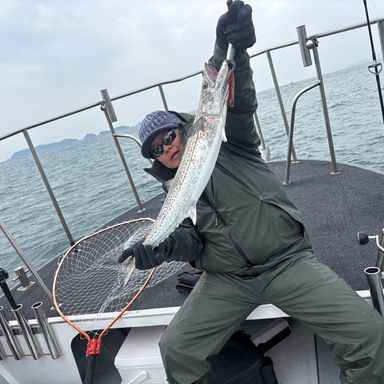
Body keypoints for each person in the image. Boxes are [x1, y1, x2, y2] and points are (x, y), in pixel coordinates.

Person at [119, 1, 384, 383]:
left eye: (170, 137)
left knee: (369, 336)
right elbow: (191, 244)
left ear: (186, 128)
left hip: (287, 263)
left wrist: (233, 49)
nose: (169, 149)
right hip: (226, 280)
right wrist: (157, 249)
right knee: (175, 349)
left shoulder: (236, 146)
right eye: (157, 150)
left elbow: (234, 101)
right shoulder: (177, 193)